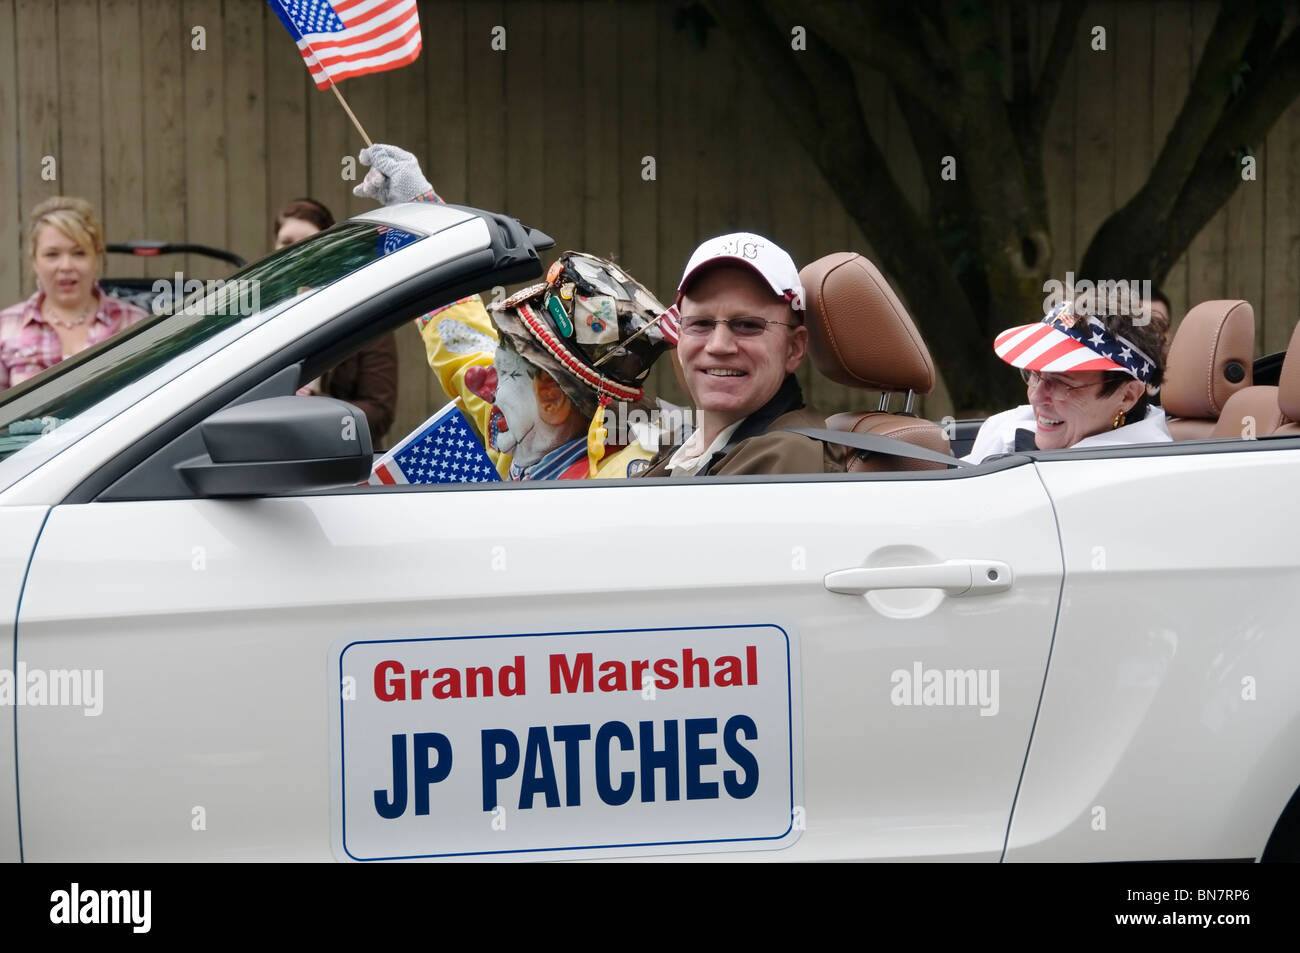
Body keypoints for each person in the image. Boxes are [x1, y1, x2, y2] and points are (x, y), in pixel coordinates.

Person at [353, 144, 675, 480]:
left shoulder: (612, 488)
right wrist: (419, 211)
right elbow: (463, 342)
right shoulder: (531, 437)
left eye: (505, 372)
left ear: (551, 400)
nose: (482, 380)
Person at [638, 233, 846, 477]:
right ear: (679, 337)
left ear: (794, 348)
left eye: (747, 325)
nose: (719, 345)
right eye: (701, 323)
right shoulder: (684, 449)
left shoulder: (785, 460)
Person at [964, 287, 1172, 463]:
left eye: (1062, 384)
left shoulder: (1142, 474)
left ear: (1127, 396)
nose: (1036, 397)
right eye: (1035, 375)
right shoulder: (1005, 427)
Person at [273, 197, 399, 447]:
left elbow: (379, 414)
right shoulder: (260, 316)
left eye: (308, 242)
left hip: (340, 464)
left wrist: (312, 405)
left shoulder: (363, 315)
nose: (296, 251)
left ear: (328, 248)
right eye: (286, 242)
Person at [0, 196, 148, 392]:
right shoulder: (6, 325)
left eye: (79, 253)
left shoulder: (134, 323)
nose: (66, 266)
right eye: (52, 254)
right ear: (34, 260)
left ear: (96, 258)